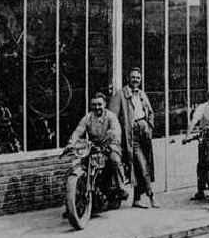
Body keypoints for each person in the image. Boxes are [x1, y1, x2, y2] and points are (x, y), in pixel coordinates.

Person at [67, 92, 128, 204]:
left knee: (114, 159)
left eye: (99, 104)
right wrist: (72, 142)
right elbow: (79, 130)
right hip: (93, 145)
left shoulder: (110, 116)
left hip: (110, 144)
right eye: (94, 105)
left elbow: (115, 131)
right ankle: (72, 202)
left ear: (104, 104)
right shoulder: (88, 117)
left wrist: (111, 136)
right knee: (79, 162)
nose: (97, 107)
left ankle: (121, 186)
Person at [109, 68, 158, 209]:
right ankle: (151, 195)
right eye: (133, 77)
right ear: (128, 79)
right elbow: (113, 118)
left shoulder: (142, 94)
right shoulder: (120, 95)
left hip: (144, 134)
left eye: (138, 78)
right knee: (140, 164)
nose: (135, 80)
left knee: (144, 164)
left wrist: (149, 127)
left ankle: (137, 199)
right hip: (131, 136)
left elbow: (150, 112)